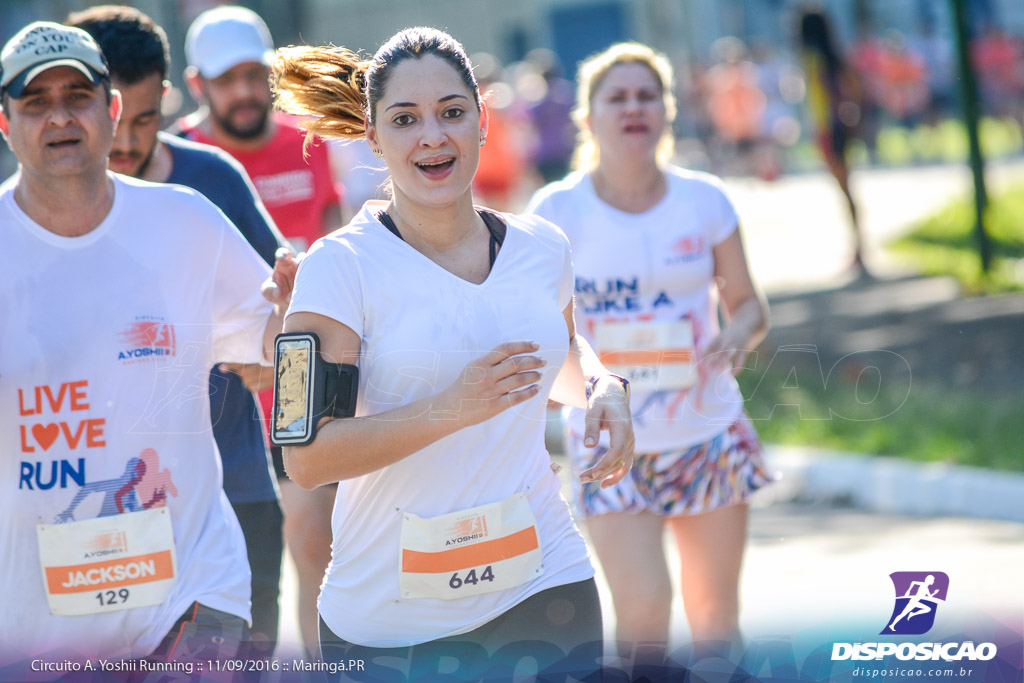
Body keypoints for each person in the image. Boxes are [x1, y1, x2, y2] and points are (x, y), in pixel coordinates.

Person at [269, 27, 634, 678]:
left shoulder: (541, 247)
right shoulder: (337, 269)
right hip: (392, 625)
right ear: (373, 138)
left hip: (545, 584)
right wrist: (450, 407)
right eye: (405, 119)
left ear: (482, 120)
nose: (432, 136)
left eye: (451, 112)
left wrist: (607, 388)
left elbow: (562, 357)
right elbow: (306, 458)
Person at [0, 20, 295, 669]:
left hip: (192, 587)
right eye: (35, 103)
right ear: (5, 124)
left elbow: (274, 342)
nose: (59, 118)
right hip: (36, 617)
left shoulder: (184, 221)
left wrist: (302, 312)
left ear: (112, 110)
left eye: (77, 97)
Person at [527, 42, 772, 662]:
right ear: (588, 117)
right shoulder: (554, 212)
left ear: (666, 111)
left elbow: (748, 303)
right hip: (609, 442)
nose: (633, 107)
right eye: (617, 97)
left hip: (705, 431)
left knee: (716, 617)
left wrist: (737, 335)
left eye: (646, 96)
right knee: (645, 617)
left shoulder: (705, 199)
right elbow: (535, 326)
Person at [174, 4, 340, 655]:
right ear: (197, 85)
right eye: (226, 79)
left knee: (313, 543)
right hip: (221, 394)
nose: (244, 92)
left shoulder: (309, 142)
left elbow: (335, 246)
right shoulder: (185, 163)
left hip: (302, 376)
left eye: (254, 75)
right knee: (237, 566)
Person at [798, 8, 867, 273]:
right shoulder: (829, 56)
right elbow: (855, 87)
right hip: (830, 129)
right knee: (845, 190)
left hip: (831, 130)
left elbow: (842, 91)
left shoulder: (815, 59)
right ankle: (858, 248)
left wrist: (845, 115)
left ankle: (860, 249)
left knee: (845, 190)